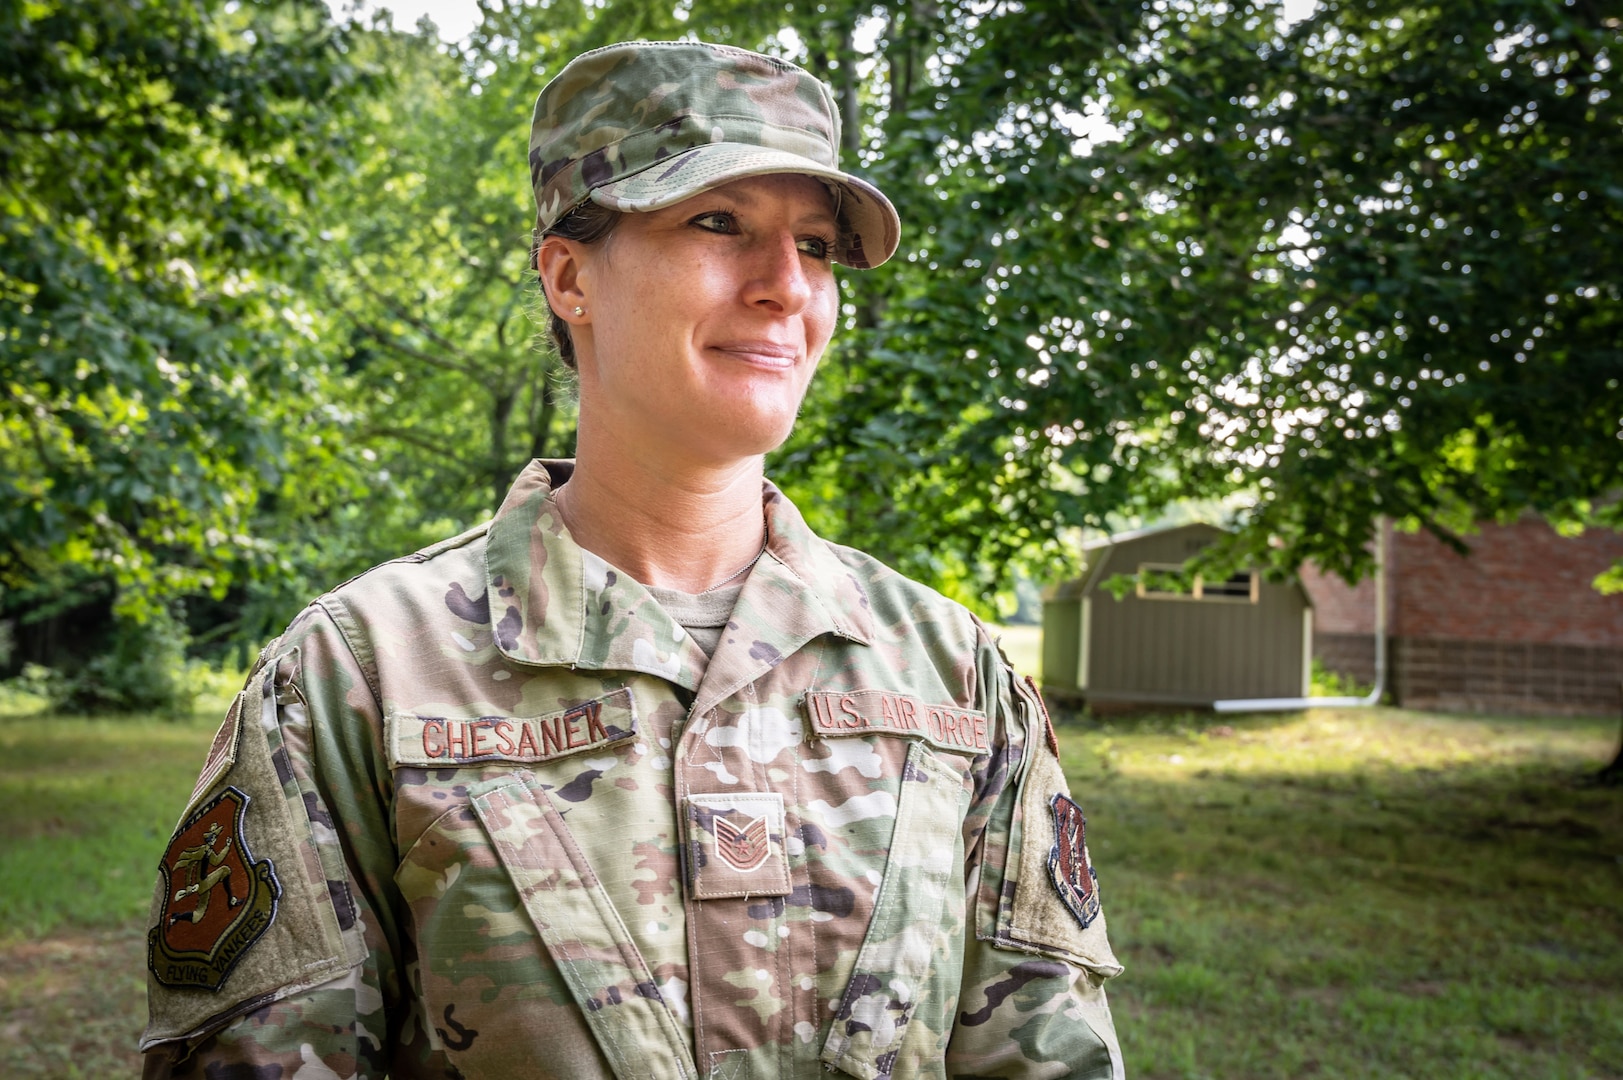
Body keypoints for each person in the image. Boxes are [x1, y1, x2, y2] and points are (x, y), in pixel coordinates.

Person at [140, 39, 1125, 1079]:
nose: (788, 287)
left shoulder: (953, 675)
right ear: (570, 276)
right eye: (718, 223)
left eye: (819, 246)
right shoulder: (360, 677)